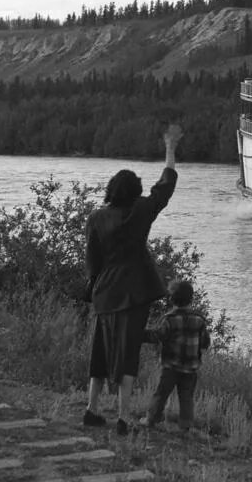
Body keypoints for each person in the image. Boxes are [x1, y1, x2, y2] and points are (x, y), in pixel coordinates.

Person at [83, 124, 182, 436]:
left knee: (100, 353)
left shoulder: (97, 218)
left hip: (105, 294)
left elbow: (92, 262)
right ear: (135, 191)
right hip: (135, 294)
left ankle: (91, 409)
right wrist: (170, 147)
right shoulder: (141, 211)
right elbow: (164, 187)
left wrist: (93, 287)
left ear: (111, 189)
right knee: (127, 356)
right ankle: (124, 417)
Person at [141, 279, 210, 432]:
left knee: (161, 393)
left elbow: (157, 336)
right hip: (191, 368)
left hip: (170, 366)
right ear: (191, 298)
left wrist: (139, 333)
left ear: (171, 299)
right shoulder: (199, 320)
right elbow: (205, 342)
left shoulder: (169, 320)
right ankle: (185, 426)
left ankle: (151, 419)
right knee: (186, 397)